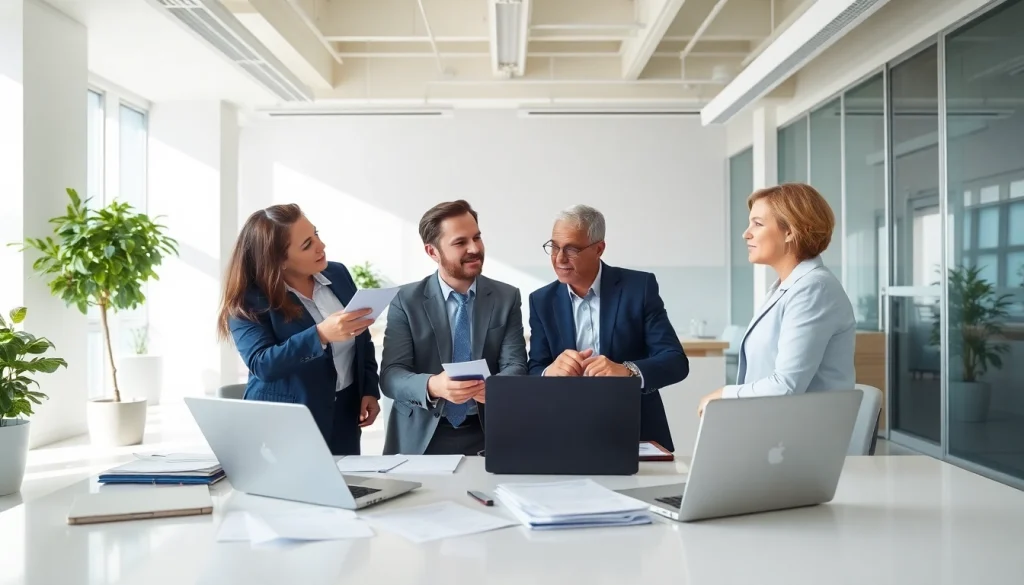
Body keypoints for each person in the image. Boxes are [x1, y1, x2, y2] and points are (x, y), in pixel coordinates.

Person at [217, 204, 381, 456]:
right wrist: (321, 335)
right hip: (285, 423)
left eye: (316, 234)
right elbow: (262, 364)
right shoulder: (248, 301)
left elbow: (363, 337)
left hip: (345, 416)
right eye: (307, 244)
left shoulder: (337, 274)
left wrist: (369, 388)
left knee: (347, 490)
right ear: (279, 261)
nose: (321, 245)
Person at [527, 205, 688, 452]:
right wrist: (549, 372)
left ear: (599, 249)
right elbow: (534, 368)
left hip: (635, 427)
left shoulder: (639, 288)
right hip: (564, 429)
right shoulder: (541, 300)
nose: (559, 258)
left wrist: (627, 371)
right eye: (554, 246)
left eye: (571, 248)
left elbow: (676, 361)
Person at [380, 200, 527, 456]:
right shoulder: (406, 300)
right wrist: (433, 386)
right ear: (432, 252)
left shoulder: (506, 297)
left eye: (477, 238)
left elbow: (516, 365)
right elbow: (391, 376)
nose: (474, 248)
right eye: (460, 243)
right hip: (421, 436)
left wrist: (496, 387)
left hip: (487, 431)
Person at [697, 183, 856, 417]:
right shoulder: (786, 287)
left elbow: (786, 385)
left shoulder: (814, 288)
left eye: (757, 224)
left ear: (790, 231)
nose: (746, 233)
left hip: (802, 439)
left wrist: (724, 395)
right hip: (774, 432)